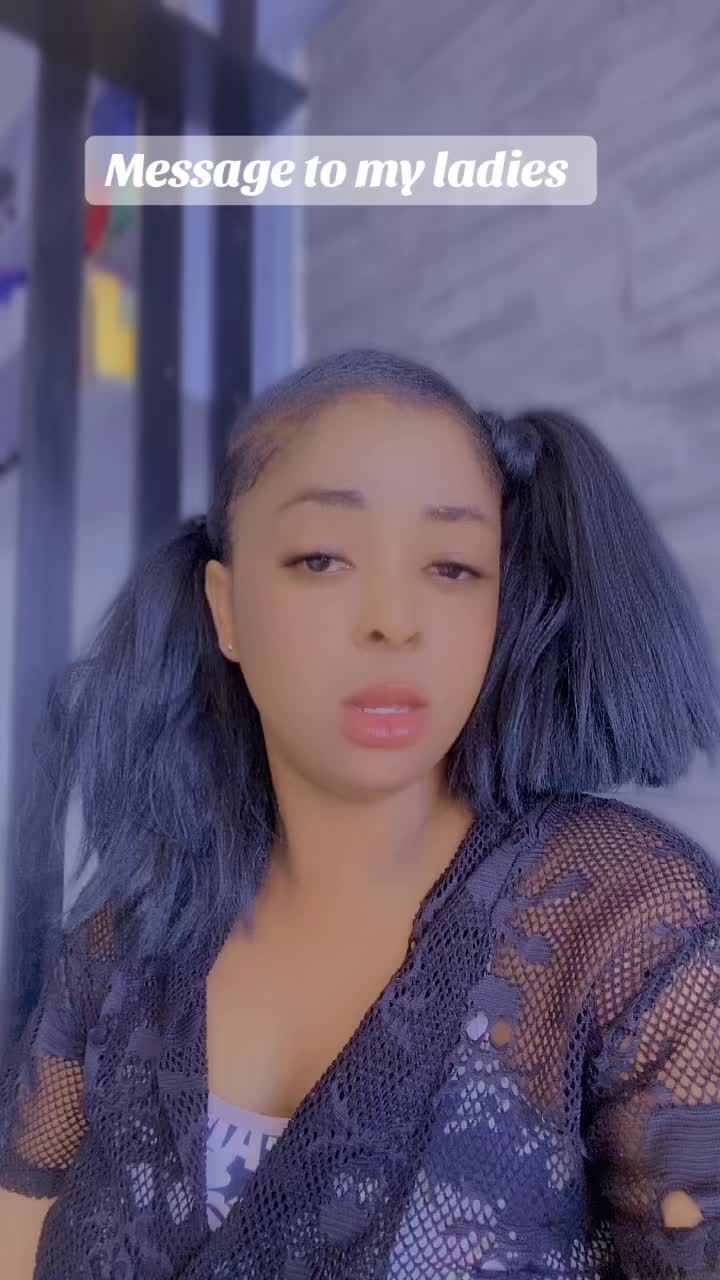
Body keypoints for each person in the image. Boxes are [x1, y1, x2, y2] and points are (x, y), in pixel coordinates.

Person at [1, 346, 719, 1279]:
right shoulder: (120, 945)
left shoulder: (626, 925)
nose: (393, 620)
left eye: (453, 567)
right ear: (226, 609)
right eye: (322, 558)